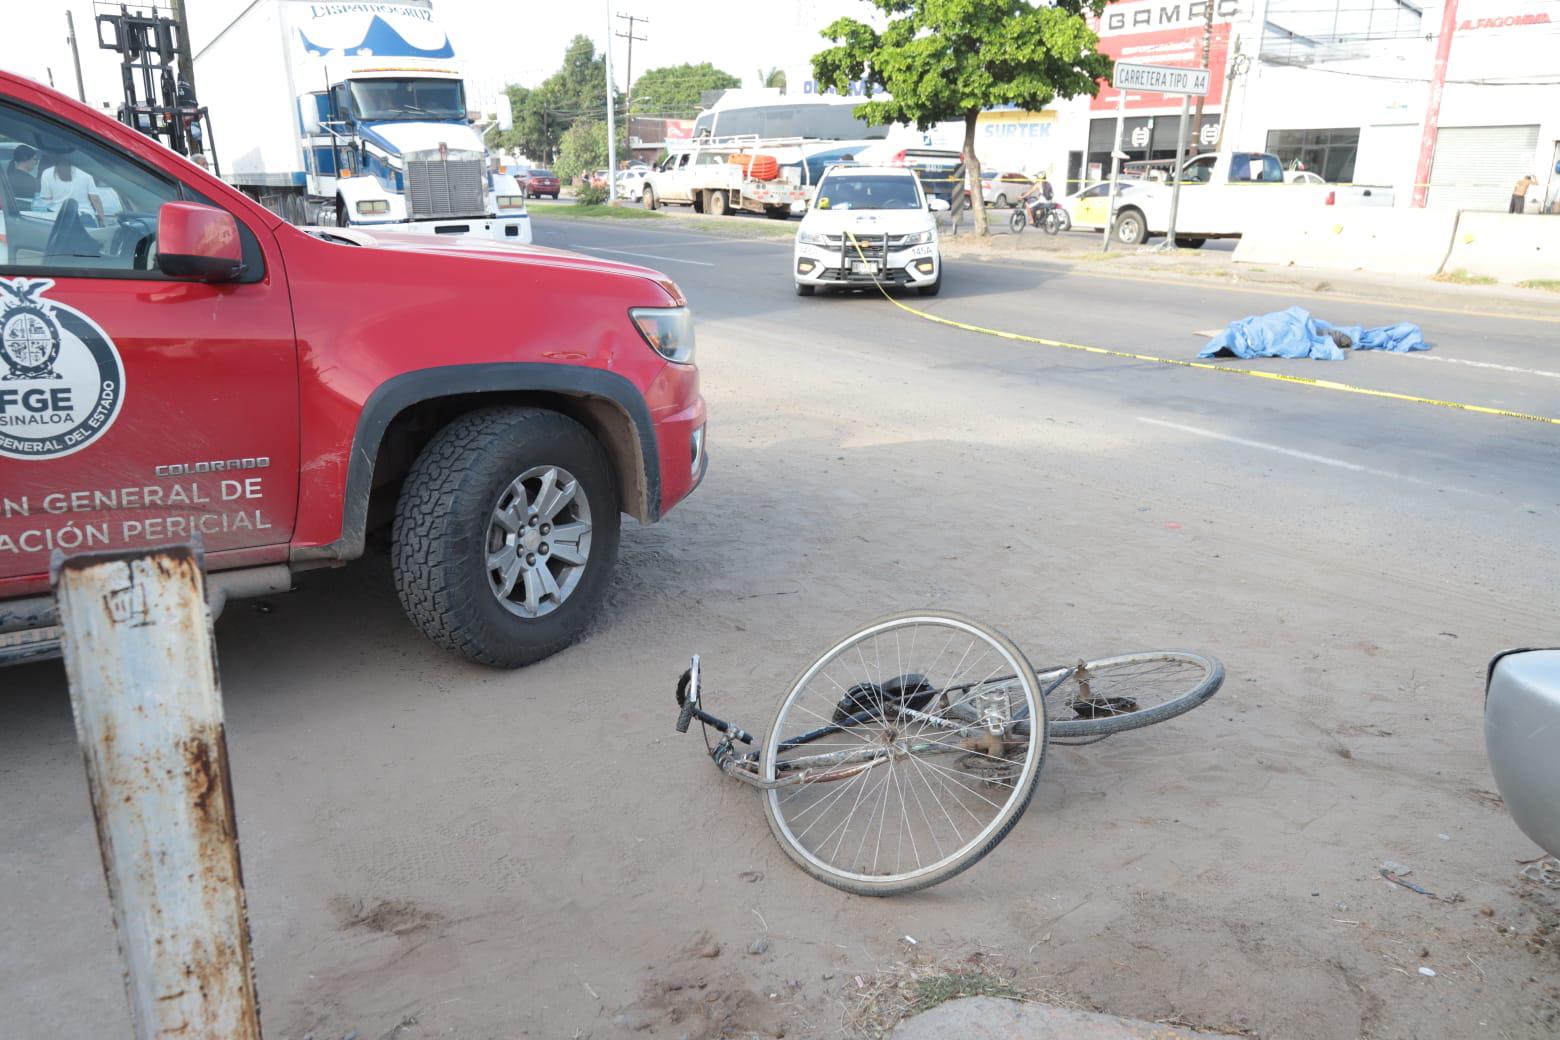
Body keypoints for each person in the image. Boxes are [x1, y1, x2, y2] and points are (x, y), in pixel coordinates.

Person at [40, 154, 106, 224]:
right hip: (84, 216)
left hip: (55, 217)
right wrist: (103, 221)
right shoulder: (85, 172)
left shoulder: (47, 173)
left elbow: (46, 198)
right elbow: (95, 199)